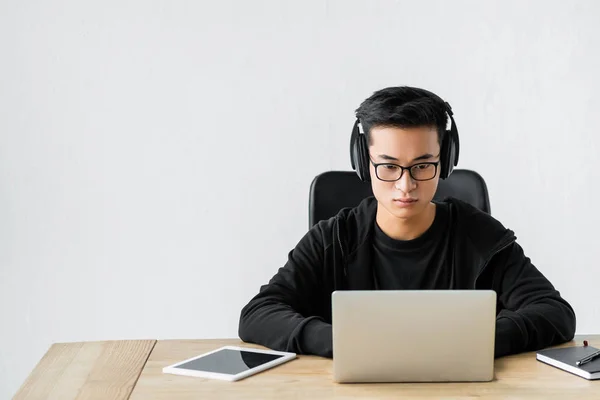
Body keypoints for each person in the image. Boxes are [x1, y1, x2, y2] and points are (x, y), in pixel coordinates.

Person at [238, 86, 576, 358]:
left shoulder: (479, 236)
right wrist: (343, 341)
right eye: (388, 166)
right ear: (362, 162)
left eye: (422, 165)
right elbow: (258, 314)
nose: (405, 185)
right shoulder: (334, 238)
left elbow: (555, 312)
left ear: (445, 161)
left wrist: (476, 339)